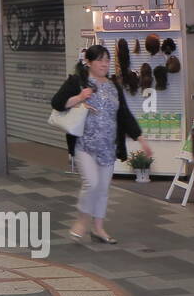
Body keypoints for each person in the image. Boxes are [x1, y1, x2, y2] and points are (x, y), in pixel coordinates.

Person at [51, 44, 151, 244]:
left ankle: (98, 228)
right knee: (92, 183)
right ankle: (82, 220)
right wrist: (80, 97)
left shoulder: (114, 85)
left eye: (107, 60)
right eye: (100, 60)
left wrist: (141, 139)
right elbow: (57, 103)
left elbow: (124, 114)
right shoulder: (77, 81)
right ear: (88, 62)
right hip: (84, 144)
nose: (105, 64)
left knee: (103, 188)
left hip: (108, 145)